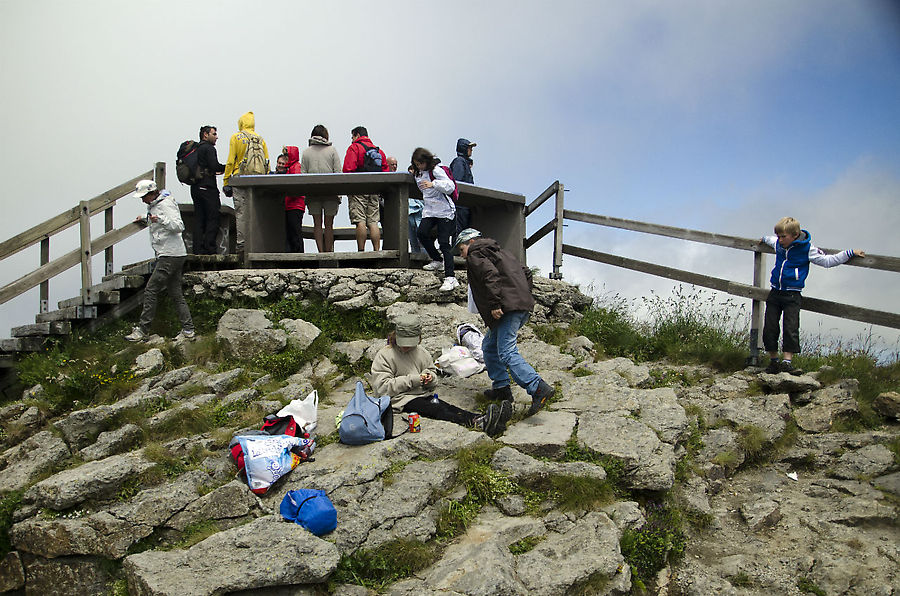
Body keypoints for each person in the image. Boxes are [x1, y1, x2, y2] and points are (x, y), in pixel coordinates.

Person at [455, 228, 555, 415]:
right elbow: (526, 272)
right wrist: (523, 295)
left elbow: (489, 275)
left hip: (505, 309)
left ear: (470, 242)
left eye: (461, 249)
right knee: (489, 346)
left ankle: (538, 388)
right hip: (520, 305)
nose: (461, 255)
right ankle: (502, 389)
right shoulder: (501, 252)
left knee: (507, 351)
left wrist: (495, 303)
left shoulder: (476, 254)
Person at [370, 314, 511, 436]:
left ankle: (482, 419)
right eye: (404, 343)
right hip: (399, 400)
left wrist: (429, 379)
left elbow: (432, 374)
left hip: (421, 394)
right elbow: (382, 388)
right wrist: (414, 379)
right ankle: (479, 423)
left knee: (447, 406)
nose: (406, 347)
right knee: (435, 409)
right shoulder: (385, 355)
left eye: (410, 343)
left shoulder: (421, 352)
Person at [761, 217, 865, 374]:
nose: (780, 240)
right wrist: (763, 239)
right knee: (770, 327)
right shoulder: (779, 244)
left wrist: (849, 253)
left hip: (792, 294)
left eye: (783, 237)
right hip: (775, 292)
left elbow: (827, 261)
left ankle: (787, 362)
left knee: (790, 327)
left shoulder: (807, 249)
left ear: (795, 235)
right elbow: (771, 240)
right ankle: (773, 361)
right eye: (779, 236)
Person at [125, 180, 194, 342]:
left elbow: (178, 226)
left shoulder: (165, 205)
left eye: (143, 197)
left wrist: (159, 219)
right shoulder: (156, 205)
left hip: (169, 255)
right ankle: (188, 330)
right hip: (174, 254)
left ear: (152, 193)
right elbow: (156, 219)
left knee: (151, 290)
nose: (142, 200)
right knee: (176, 293)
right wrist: (145, 217)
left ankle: (143, 330)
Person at [411, 147, 458, 292]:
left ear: (427, 161)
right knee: (422, 233)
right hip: (430, 210)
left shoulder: (436, 171)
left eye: (421, 163)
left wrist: (434, 184)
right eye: (416, 164)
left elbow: (450, 186)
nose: (419, 166)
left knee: (444, 242)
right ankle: (437, 259)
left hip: (444, 210)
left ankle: (450, 277)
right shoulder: (418, 173)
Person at [222, 111, 270, 253]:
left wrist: (226, 181)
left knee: (241, 213)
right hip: (257, 181)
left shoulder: (236, 137)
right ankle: (257, 245)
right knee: (255, 212)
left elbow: (231, 161)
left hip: (240, 179)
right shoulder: (260, 139)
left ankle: (242, 246)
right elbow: (267, 162)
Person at [343, 126, 388, 251]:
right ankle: (376, 251)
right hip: (374, 189)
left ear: (357, 135)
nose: (352, 140)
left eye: (352, 137)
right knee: (373, 222)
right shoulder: (378, 151)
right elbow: (385, 171)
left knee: (360, 221)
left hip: (358, 190)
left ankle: (361, 251)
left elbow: (348, 169)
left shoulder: (354, 148)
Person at [301, 124, 343, 252]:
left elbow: (303, 174)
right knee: (329, 225)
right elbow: (338, 173)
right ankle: (329, 251)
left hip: (313, 192)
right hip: (331, 192)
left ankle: (320, 252)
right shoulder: (332, 151)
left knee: (317, 224)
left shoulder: (306, 152)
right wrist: (339, 195)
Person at [190, 125, 226, 255]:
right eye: (214, 134)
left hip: (195, 187)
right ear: (206, 135)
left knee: (199, 218)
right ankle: (210, 248)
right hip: (207, 186)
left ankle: (197, 249)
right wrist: (228, 167)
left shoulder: (196, 149)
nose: (216, 137)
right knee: (213, 217)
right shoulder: (209, 148)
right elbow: (214, 165)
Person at [449, 138, 476, 235]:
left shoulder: (464, 162)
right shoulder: (459, 162)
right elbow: (457, 182)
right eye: (469, 147)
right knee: (459, 233)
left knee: (463, 233)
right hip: (460, 206)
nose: (471, 150)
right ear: (464, 148)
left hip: (464, 205)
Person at [281, 146, 305, 253]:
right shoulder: (290, 168)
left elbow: (296, 186)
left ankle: (298, 253)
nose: (285, 159)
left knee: (295, 232)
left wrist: (287, 194)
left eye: (287, 156)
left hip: (295, 205)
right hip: (291, 205)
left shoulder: (296, 167)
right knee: (291, 232)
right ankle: (294, 252)